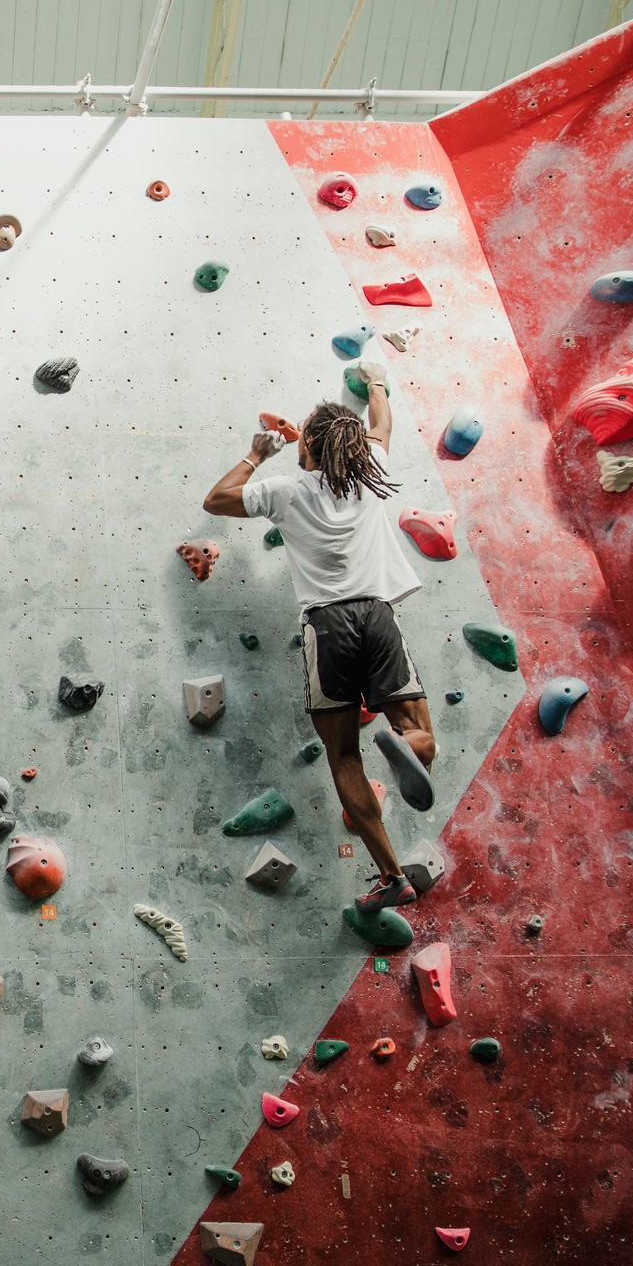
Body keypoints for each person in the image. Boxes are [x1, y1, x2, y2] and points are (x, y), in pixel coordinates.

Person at [200, 361, 437, 914]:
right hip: (377, 618)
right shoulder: (369, 469)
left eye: (304, 440)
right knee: (417, 729)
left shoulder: (287, 490)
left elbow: (216, 500)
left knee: (343, 756)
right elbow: (381, 424)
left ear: (308, 449)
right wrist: (376, 380)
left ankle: (392, 876)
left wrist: (257, 455)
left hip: (326, 627)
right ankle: (408, 748)